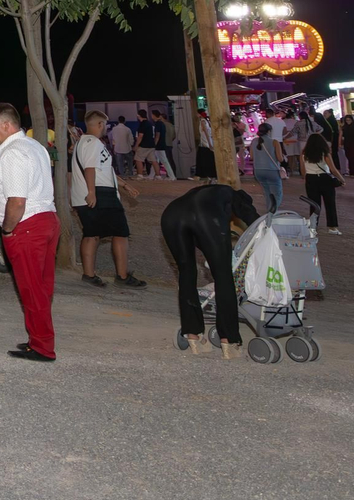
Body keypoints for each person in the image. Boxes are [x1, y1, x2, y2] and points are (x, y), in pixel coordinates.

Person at [0, 102, 60, 362]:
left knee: (32, 288)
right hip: (46, 220)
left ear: (6, 125)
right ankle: (38, 337)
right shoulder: (34, 146)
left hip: (27, 227)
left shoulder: (13, 152)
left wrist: (7, 230)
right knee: (41, 286)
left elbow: (17, 201)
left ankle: (42, 347)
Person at [161, 185, 259, 359]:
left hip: (172, 214)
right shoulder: (234, 195)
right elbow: (256, 222)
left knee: (186, 273)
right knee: (223, 276)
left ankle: (193, 335)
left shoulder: (210, 191)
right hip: (205, 215)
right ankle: (230, 340)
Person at [71, 111, 146, 288]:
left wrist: (125, 185)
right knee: (121, 233)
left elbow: (104, 169)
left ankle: (89, 275)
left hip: (86, 194)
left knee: (91, 234)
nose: (106, 128)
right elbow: (90, 168)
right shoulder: (94, 143)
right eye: (105, 124)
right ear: (100, 124)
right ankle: (122, 276)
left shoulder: (82, 142)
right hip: (100, 193)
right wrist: (92, 192)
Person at [302, 133, 343, 234]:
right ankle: (332, 227)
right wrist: (342, 179)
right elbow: (333, 169)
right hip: (325, 179)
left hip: (310, 178)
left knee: (314, 204)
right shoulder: (325, 153)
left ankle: (313, 227)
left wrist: (306, 179)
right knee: (330, 203)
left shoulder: (304, 154)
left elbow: (303, 171)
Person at [250, 127, 284, 213]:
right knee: (277, 194)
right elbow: (280, 158)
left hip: (258, 170)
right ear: (269, 131)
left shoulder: (254, 141)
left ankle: (269, 213)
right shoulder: (274, 142)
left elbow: (252, 157)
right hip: (272, 170)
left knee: (267, 193)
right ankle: (271, 212)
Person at [193, 110, 216, 180]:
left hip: (205, 142)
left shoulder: (203, 122)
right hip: (206, 141)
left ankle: (206, 174)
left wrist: (209, 143)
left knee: (205, 158)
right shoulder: (206, 121)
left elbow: (206, 133)